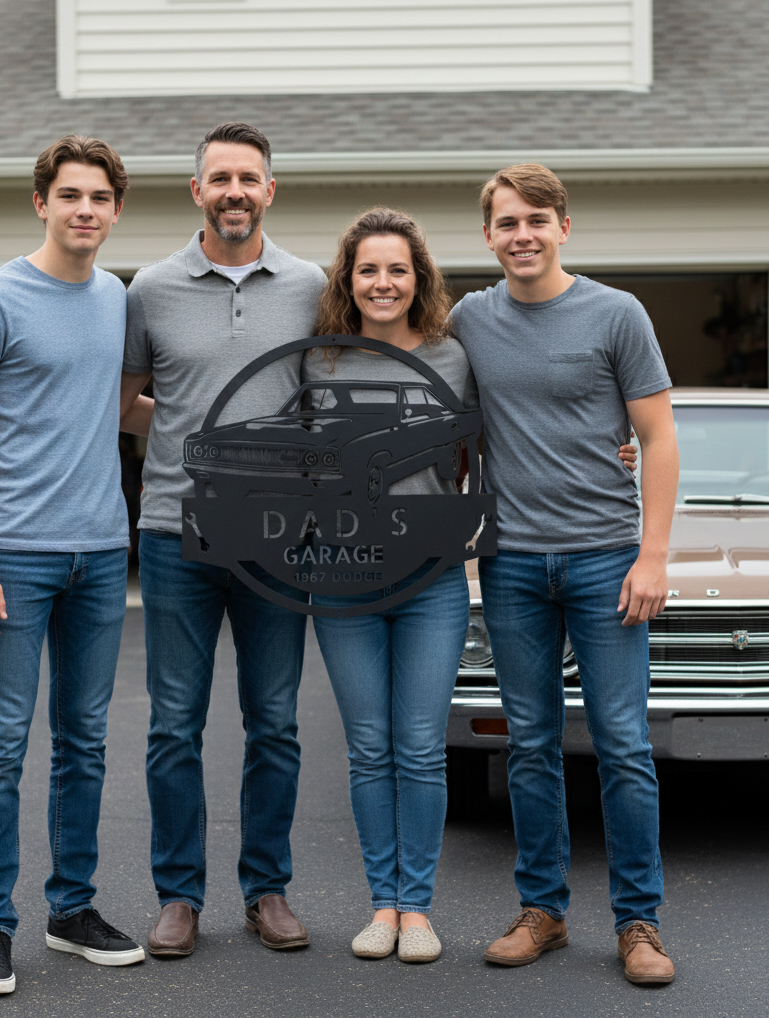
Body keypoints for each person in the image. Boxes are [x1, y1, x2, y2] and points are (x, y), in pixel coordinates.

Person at [449, 164, 679, 985]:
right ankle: (541, 910)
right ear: (488, 236)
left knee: (623, 745)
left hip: (606, 558)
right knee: (530, 745)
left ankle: (639, 923)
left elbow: (657, 438)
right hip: (510, 561)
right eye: (508, 223)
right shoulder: (470, 319)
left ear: (563, 228)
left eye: (537, 220)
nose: (523, 235)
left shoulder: (617, 314)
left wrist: (653, 554)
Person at [0, 136, 149, 996]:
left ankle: (72, 910)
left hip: (100, 553)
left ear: (116, 211)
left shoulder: (117, 299)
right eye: (69, 195)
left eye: (99, 197)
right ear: (42, 203)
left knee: (84, 745)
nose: (84, 209)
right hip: (14, 554)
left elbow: (116, 407)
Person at [119, 122, 327, 957]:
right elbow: (123, 403)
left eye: (248, 178)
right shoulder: (150, 289)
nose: (234, 191)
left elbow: (331, 402)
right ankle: (179, 896)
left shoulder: (311, 285)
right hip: (177, 532)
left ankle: (266, 890)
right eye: (220, 178)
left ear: (269, 189)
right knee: (174, 724)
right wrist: (194, 429)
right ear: (196, 191)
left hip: (280, 537)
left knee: (274, 721)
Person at [304, 208, 476, 964]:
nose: (383, 282)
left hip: (431, 579)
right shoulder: (319, 361)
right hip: (341, 579)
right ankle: (382, 904)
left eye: (397, 269)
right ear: (348, 279)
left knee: (421, 748)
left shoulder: (453, 357)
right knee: (370, 748)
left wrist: (618, 449)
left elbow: (499, 436)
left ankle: (418, 909)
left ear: (419, 278)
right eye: (368, 269)